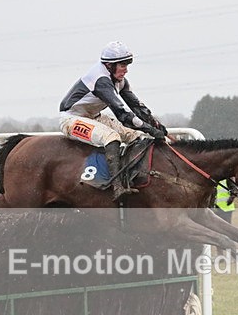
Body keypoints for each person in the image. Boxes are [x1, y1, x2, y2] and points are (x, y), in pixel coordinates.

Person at [59, 40, 167, 201]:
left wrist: (155, 123)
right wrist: (149, 129)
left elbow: (136, 106)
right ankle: (117, 186)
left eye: (127, 64)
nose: (126, 69)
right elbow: (122, 114)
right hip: (72, 119)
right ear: (109, 65)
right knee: (111, 137)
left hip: (93, 116)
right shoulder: (101, 80)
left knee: (136, 136)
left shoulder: (118, 79)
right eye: (123, 65)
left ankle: (133, 176)